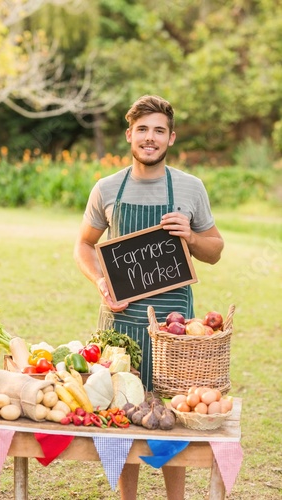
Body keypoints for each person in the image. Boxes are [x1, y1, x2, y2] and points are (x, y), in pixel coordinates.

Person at [73, 94, 224, 500]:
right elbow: (84, 246)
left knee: (174, 419)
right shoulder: (106, 188)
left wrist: (190, 237)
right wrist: (100, 282)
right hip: (119, 325)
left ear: (171, 137)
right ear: (129, 135)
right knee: (122, 418)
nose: (150, 137)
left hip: (175, 329)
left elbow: (215, 250)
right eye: (143, 129)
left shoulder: (191, 188)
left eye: (159, 130)